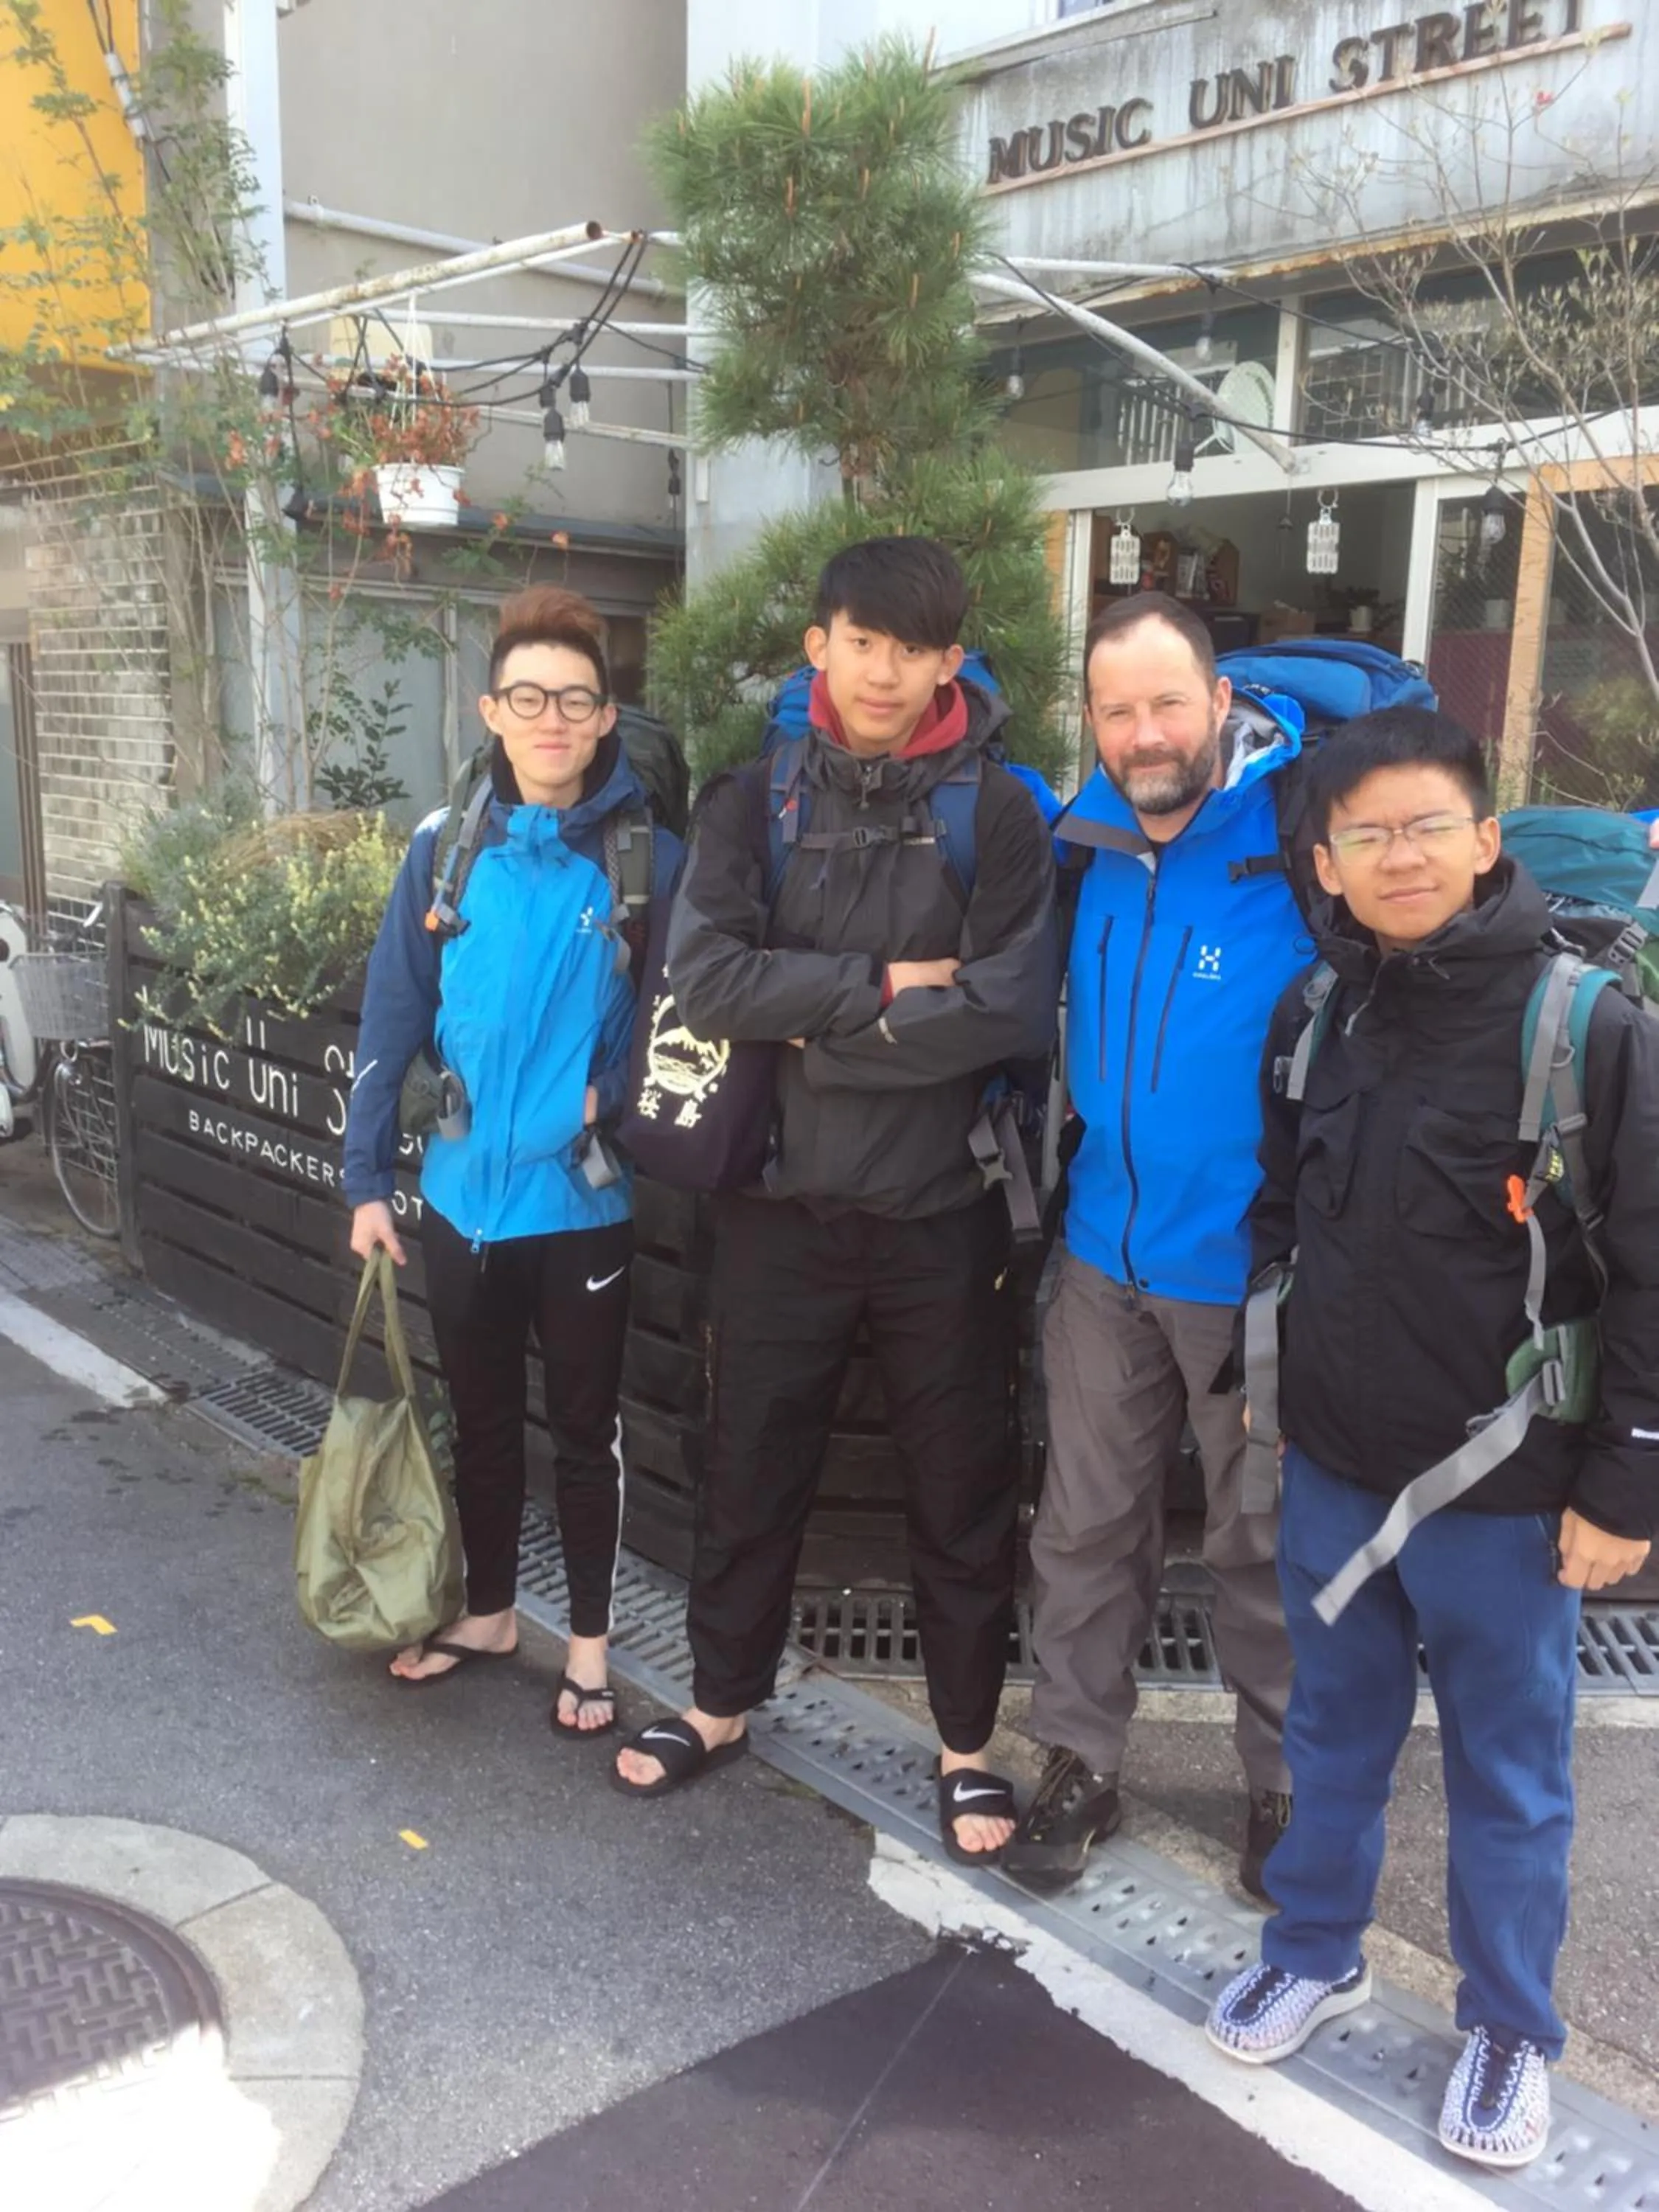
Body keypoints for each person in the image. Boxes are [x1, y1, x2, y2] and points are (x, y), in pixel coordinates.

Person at [1205, 708, 1657, 2168]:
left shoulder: (1590, 1028)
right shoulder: (1316, 1014)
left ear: (1482, 840)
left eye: (1424, 826)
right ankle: (1317, 1944)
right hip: (1333, 1463)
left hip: (1508, 1494)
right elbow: (1282, 1216)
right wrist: (1278, 1400)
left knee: (1510, 1775)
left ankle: (1514, 2027)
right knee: (1330, 1731)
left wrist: (1627, 1484)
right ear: (1325, 865)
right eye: (1364, 837)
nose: (1397, 858)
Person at [612, 535, 1058, 1863]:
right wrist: (886, 989)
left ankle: (968, 1746)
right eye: (860, 641)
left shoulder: (1003, 813)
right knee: (745, 1463)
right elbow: (707, 985)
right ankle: (718, 1700)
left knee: (960, 1484)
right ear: (820, 645)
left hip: (942, 1214)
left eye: (912, 648)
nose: (884, 671)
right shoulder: (756, 804)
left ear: (949, 661)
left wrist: (818, 1018)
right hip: (775, 1210)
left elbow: (1008, 1010)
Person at [1005, 592, 1302, 1900]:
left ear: (1220, 698)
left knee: (1266, 1546)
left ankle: (1289, 1789)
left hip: (1251, 1276)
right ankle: (1077, 1760)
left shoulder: (1298, 840)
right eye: (1115, 709)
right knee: (1083, 1528)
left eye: (1166, 702)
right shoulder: (1086, 844)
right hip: (1100, 1256)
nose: (1143, 733)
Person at [343, 586, 681, 1729]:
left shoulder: (649, 864)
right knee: (480, 1418)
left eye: (574, 700)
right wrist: (364, 1182)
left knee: (585, 1434)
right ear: (492, 709)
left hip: (579, 1205)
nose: (550, 719)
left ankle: (587, 1644)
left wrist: (614, 1094)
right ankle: (490, 1611)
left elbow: (693, 1023)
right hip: (453, 1198)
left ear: (603, 718)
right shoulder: (445, 852)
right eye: (528, 697)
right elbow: (393, 1013)